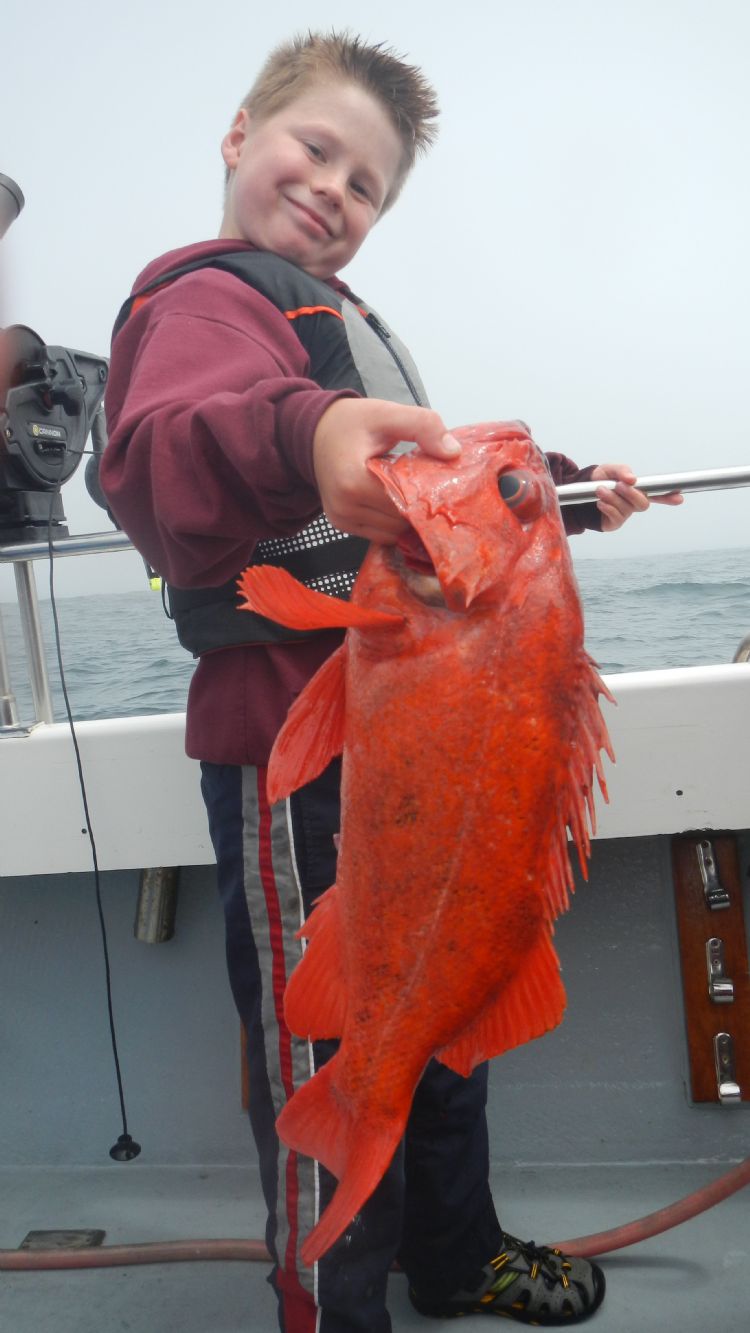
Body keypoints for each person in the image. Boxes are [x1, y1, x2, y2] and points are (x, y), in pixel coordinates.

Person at [100, 31, 682, 1333]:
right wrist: (307, 433)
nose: (332, 191)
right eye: (315, 149)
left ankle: (457, 1248)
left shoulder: (339, 319)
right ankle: (335, 1303)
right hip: (288, 748)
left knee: (450, 1010)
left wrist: (565, 496)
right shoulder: (202, 301)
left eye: (366, 185)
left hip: (414, 742)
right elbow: (156, 461)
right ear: (239, 133)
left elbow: (436, 515)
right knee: (334, 1055)